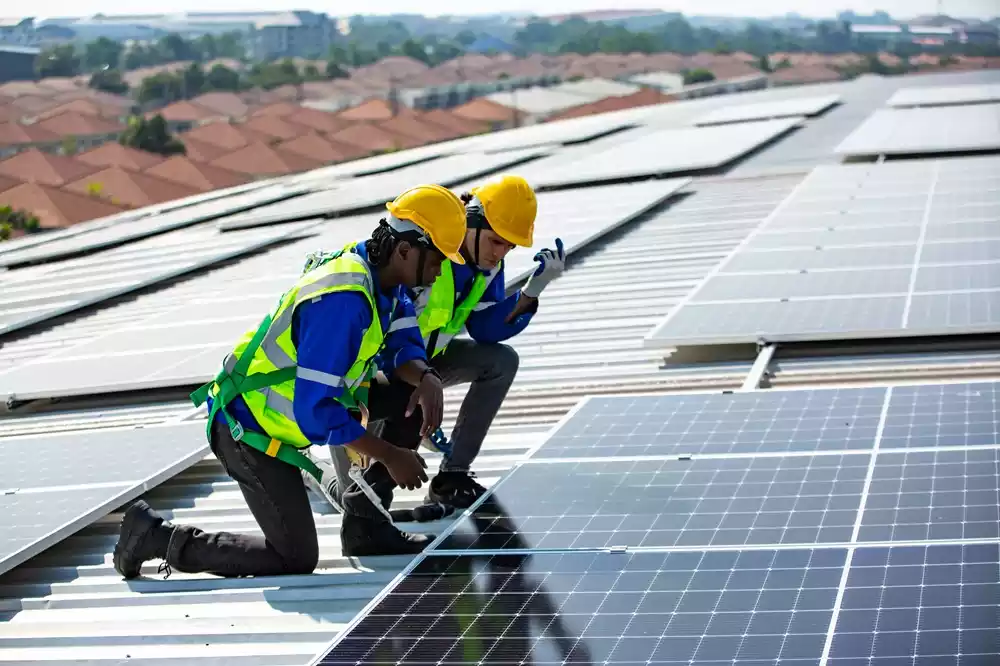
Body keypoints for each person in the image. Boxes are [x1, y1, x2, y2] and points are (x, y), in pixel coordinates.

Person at [112, 184, 469, 579]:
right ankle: (157, 537)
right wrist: (388, 454)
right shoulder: (344, 300)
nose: (440, 272)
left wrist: (428, 377)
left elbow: (402, 344)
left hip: (290, 418)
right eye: (437, 259)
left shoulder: (385, 278)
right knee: (294, 557)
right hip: (248, 432)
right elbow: (316, 412)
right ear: (405, 250)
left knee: (409, 393)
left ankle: (366, 527)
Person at [323, 174, 565, 518]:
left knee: (500, 361)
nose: (501, 254)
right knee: (353, 498)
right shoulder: (422, 252)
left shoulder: (486, 264)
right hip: (368, 376)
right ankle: (312, 473)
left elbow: (484, 329)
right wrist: (412, 402)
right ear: (472, 224)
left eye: (509, 247)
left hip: (424, 364)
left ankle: (452, 477)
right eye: (497, 242)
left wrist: (531, 292)